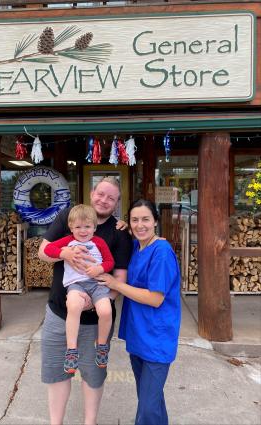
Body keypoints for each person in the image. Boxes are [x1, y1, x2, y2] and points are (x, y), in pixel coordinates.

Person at [38, 176, 131, 425]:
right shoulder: (69, 216)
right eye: (101, 194)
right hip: (60, 311)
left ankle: (90, 422)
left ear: (117, 203)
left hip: (95, 317)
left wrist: (100, 298)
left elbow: (119, 276)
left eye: (111, 197)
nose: (104, 200)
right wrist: (64, 252)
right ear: (92, 192)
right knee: (57, 373)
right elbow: (43, 251)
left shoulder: (119, 232)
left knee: (93, 375)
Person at [99, 199, 181, 425]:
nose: (140, 225)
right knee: (150, 401)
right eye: (135, 220)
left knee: (146, 408)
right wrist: (123, 226)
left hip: (157, 337)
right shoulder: (136, 247)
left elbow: (155, 299)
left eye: (146, 219)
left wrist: (115, 285)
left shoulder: (161, 252)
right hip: (138, 335)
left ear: (155, 221)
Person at [43, 204, 115, 374]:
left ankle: (102, 345)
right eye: (78, 227)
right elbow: (47, 249)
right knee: (73, 306)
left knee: (105, 310)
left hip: (96, 283)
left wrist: (100, 269)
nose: (83, 231)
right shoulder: (69, 241)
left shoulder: (99, 242)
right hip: (76, 284)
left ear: (95, 227)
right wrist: (64, 253)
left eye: (88, 227)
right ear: (71, 227)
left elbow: (109, 262)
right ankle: (71, 350)